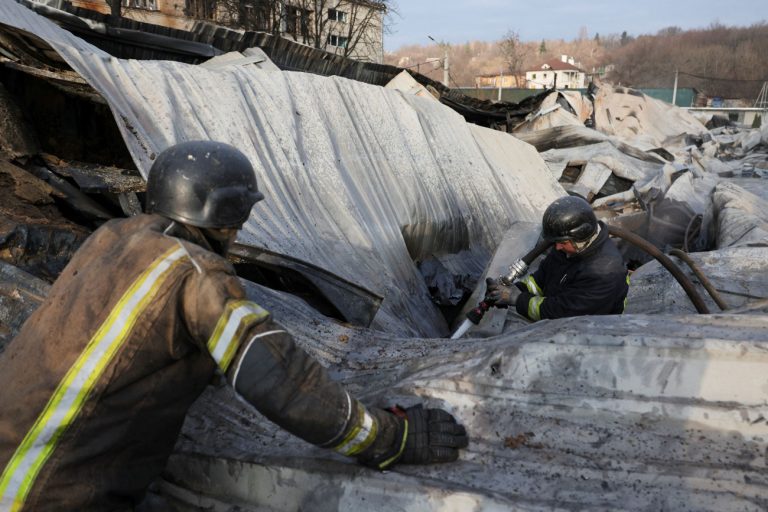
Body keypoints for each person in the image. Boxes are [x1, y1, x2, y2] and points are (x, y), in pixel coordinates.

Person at [0, 141, 468, 511]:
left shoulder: (111, 238)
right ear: (225, 217)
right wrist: (387, 438)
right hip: (49, 493)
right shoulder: (197, 276)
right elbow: (280, 380)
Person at [487, 195, 629, 322]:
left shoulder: (604, 272)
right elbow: (541, 280)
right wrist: (514, 290)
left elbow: (562, 314)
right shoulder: (568, 249)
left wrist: (518, 299)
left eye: (563, 243)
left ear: (582, 236)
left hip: (587, 332)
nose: (557, 247)